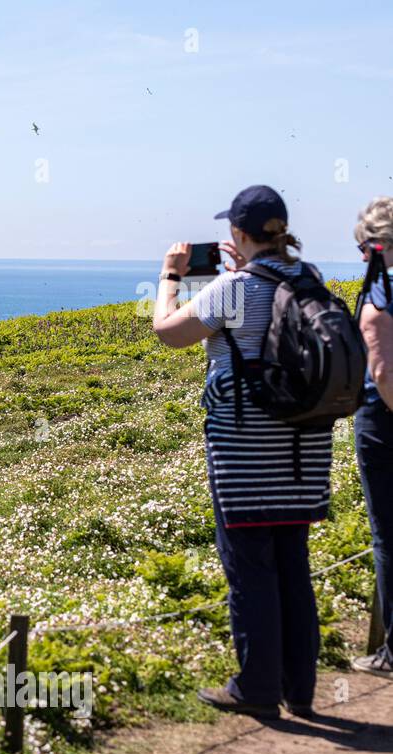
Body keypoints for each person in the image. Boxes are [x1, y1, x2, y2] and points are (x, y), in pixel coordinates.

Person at [152, 185, 334, 719]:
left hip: (244, 450)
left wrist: (169, 277)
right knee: (292, 565)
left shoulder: (232, 288)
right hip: (304, 445)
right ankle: (299, 688)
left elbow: (169, 333)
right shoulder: (310, 279)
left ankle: (255, 687)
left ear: (237, 233)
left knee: (249, 567)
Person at [350, 198, 393, 678]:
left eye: (363, 246)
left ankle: (392, 651)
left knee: (387, 535)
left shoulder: (380, 292)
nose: (361, 256)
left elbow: (382, 371)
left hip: (384, 423)